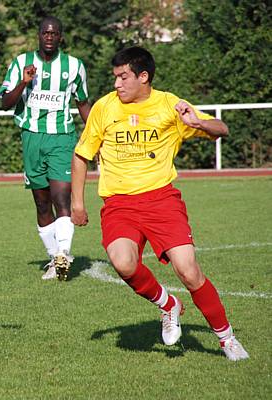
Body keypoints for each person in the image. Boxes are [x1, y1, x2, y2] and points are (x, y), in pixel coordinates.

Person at [71, 46, 248, 361]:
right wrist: (77, 204)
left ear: (143, 76)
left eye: (123, 77)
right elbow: (82, 155)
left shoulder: (169, 105)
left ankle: (226, 339)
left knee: (189, 271)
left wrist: (198, 121)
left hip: (161, 201)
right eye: (115, 77)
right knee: (123, 262)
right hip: (119, 204)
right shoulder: (104, 108)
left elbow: (222, 129)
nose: (117, 84)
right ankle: (169, 305)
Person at [0, 16, 91, 281]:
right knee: (41, 203)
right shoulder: (20, 64)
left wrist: (97, 136)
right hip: (32, 138)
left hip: (62, 137)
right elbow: (5, 102)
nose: (49, 37)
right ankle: (54, 258)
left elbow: (83, 103)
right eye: (45, 33)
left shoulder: (74, 66)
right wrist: (24, 82)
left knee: (62, 198)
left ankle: (63, 253)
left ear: (61, 37)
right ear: (38, 35)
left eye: (55, 33)